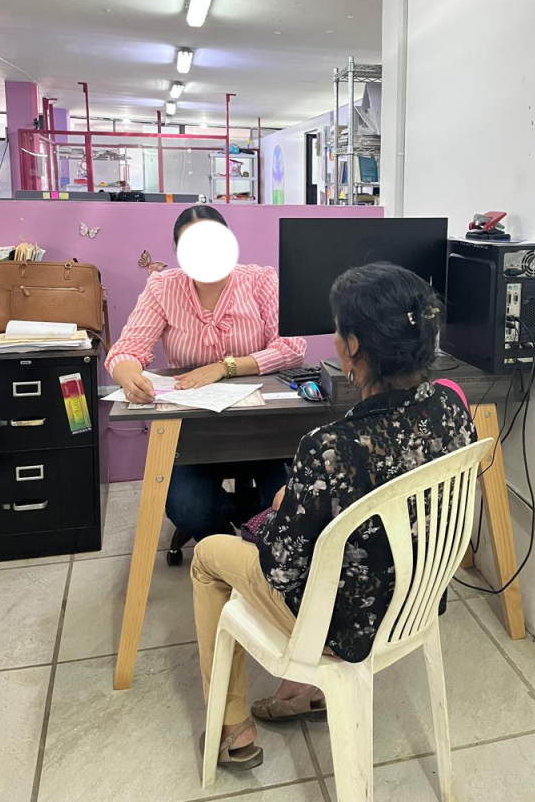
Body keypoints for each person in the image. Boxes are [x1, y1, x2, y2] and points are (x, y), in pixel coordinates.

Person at [191, 262, 477, 770]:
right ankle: (300, 693)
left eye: (339, 332)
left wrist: (284, 508)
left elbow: (281, 570)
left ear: (353, 348)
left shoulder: (329, 447)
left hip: (345, 627)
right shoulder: (452, 409)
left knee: (209, 556)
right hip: (415, 602)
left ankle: (231, 728)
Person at [105, 205, 307, 541]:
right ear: (178, 251)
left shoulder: (260, 280)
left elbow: (292, 347)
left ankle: (258, 535)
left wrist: (224, 367)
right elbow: (126, 350)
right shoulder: (163, 287)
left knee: (289, 502)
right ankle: (228, 543)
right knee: (188, 510)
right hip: (195, 428)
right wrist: (129, 377)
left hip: (261, 422)